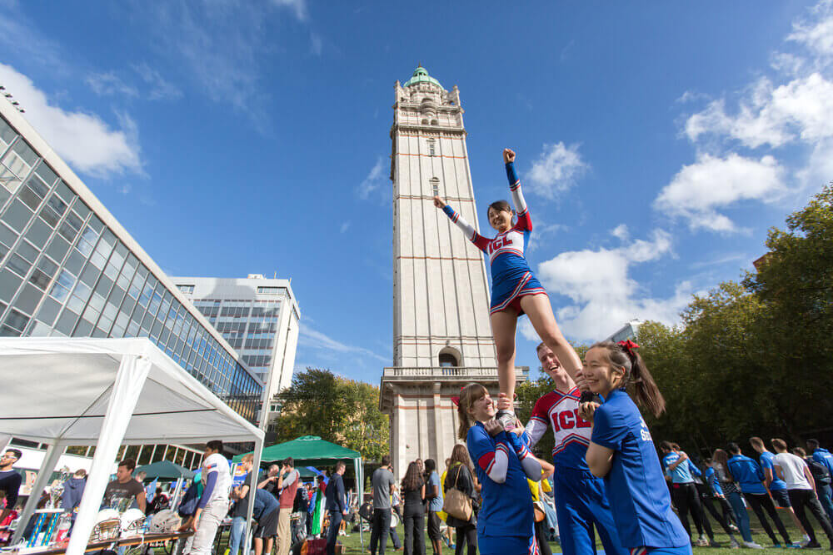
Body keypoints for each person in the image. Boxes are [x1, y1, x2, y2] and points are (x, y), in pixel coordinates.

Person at [435, 148, 582, 429]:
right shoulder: (488, 244)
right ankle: (506, 409)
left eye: (498, 213)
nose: (493, 218)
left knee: (551, 335)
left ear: (510, 215)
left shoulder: (522, 228)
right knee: (504, 353)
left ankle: (584, 384)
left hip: (524, 283)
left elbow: (517, 194)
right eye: (490, 216)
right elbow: (468, 230)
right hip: (500, 296)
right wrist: (446, 208)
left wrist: (509, 167)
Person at [577, 340, 691, 555]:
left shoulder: (610, 412)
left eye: (594, 365)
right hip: (659, 531)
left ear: (618, 372)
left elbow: (596, 467)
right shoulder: (624, 406)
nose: (586, 372)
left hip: (651, 537)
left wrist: (593, 421)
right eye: (585, 365)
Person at [520, 342, 628, 555]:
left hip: (603, 478)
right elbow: (528, 438)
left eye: (553, 355)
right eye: (544, 359)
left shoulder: (597, 391)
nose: (550, 361)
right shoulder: (545, 402)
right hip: (567, 483)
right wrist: (509, 438)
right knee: (576, 549)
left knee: (620, 547)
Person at [457, 383, 543, 555]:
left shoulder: (506, 433)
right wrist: (501, 437)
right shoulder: (476, 432)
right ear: (471, 410)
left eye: (488, 395)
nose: (488, 400)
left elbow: (536, 473)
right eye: (481, 399)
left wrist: (513, 437)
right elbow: (498, 474)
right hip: (500, 529)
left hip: (525, 528)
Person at [726, 442, 794, 548]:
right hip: (760, 489)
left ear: (730, 452)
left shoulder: (730, 463)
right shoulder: (751, 460)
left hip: (747, 490)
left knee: (761, 516)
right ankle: (787, 540)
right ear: (740, 449)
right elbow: (761, 475)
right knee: (774, 515)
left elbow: (733, 477)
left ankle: (775, 541)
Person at [772, 438, 833, 549]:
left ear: (776, 447)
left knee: (802, 516)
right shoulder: (798, 458)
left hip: (793, 489)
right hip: (807, 487)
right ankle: (832, 539)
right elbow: (809, 476)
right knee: (820, 516)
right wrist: (814, 490)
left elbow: (779, 474)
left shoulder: (776, 458)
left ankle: (813, 541)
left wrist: (788, 480)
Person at [749, 436, 808, 543]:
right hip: (784, 485)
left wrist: (767, 486)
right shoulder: (773, 455)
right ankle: (806, 534)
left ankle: (806, 535)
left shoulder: (764, 457)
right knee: (794, 511)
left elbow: (769, 475)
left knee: (792, 512)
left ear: (755, 445)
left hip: (777, 487)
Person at [659, 442, 717, 547]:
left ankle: (688, 539)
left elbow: (670, 476)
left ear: (664, 449)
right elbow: (696, 471)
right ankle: (707, 537)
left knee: (683, 514)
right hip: (691, 484)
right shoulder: (682, 456)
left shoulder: (666, 459)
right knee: (699, 512)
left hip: (678, 486)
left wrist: (659, 479)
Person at [187, 440, 231, 555]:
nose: (204, 453)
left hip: (214, 504)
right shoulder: (222, 462)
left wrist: (196, 515)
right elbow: (205, 493)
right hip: (217, 504)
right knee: (205, 548)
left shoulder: (214, 458)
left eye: (207, 450)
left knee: (199, 548)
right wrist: (191, 520)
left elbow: (210, 486)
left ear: (215, 451)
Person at [711, 450, 760, 549]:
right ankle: (748, 540)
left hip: (727, 493)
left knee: (738, 516)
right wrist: (734, 478)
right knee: (743, 516)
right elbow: (723, 478)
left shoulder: (715, 466)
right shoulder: (720, 466)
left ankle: (746, 538)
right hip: (732, 492)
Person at [443, 445, 477, 555]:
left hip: (456, 510)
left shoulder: (451, 470)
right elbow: (470, 490)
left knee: (460, 541)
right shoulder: (463, 468)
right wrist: (476, 509)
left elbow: (445, 487)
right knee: (472, 541)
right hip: (465, 509)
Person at [370, 455, 397, 555]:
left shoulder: (375, 473)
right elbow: (392, 488)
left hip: (376, 506)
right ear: (389, 464)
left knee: (375, 532)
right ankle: (381, 552)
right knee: (384, 532)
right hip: (385, 506)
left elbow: (373, 488)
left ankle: (373, 551)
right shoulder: (389, 474)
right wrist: (390, 492)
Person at [228, 454, 255, 555]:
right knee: (245, 543)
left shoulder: (249, 475)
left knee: (235, 543)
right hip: (247, 511)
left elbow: (242, 495)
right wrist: (234, 496)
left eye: (243, 463)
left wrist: (236, 490)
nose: (242, 465)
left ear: (249, 463)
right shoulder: (254, 475)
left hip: (240, 513)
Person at [276, 458, 300, 555]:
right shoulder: (296, 474)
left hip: (284, 506)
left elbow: (280, 485)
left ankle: (280, 553)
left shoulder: (293, 474)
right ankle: (285, 552)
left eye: (284, 467)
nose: (283, 469)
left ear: (288, 466)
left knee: (281, 533)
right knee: (286, 532)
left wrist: (281, 475)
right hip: (289, 505)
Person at [401, 461, 426, 555]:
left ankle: (408, 552)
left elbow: (402, 495)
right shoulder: (421, 481)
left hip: (408, 507)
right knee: (420, 534)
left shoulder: (405, 481)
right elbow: (423, 497)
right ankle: (421, 552)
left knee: (408, 534)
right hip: (418, 507)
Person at [807, 439, 833, 525]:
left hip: (827, 480)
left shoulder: (816, 455)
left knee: (828, 503)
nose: (808, 447)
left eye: (808, 445)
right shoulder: (827, 453)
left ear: (812, 445)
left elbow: (821, 468)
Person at [325, 461, 347, 555]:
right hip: (337, 509)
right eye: (344, 469)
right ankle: (330, 552)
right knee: (334, 532)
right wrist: (343, 508)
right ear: (341, 468)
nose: (344, 471)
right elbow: (340, 494)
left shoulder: (331, 479)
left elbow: (326, 492)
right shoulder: (338, 479)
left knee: (331, 533)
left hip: (332, 507)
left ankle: (329, 551)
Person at [424, 459, 444, 555]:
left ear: (428, 467)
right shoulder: (431, 476)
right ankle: (435, 551)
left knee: (435, 532)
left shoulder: (433, 477)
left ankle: (439, 552)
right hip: (432, 507)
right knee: (430, 531)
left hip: (436, 508)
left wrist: (425, 496)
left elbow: (435, 493)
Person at [0, 449, 22, 525]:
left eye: (7, 457)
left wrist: (1, 519)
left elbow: (12, 499)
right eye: (3, 456)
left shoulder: (14, 476)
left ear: (14, 459)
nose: (3, 458)